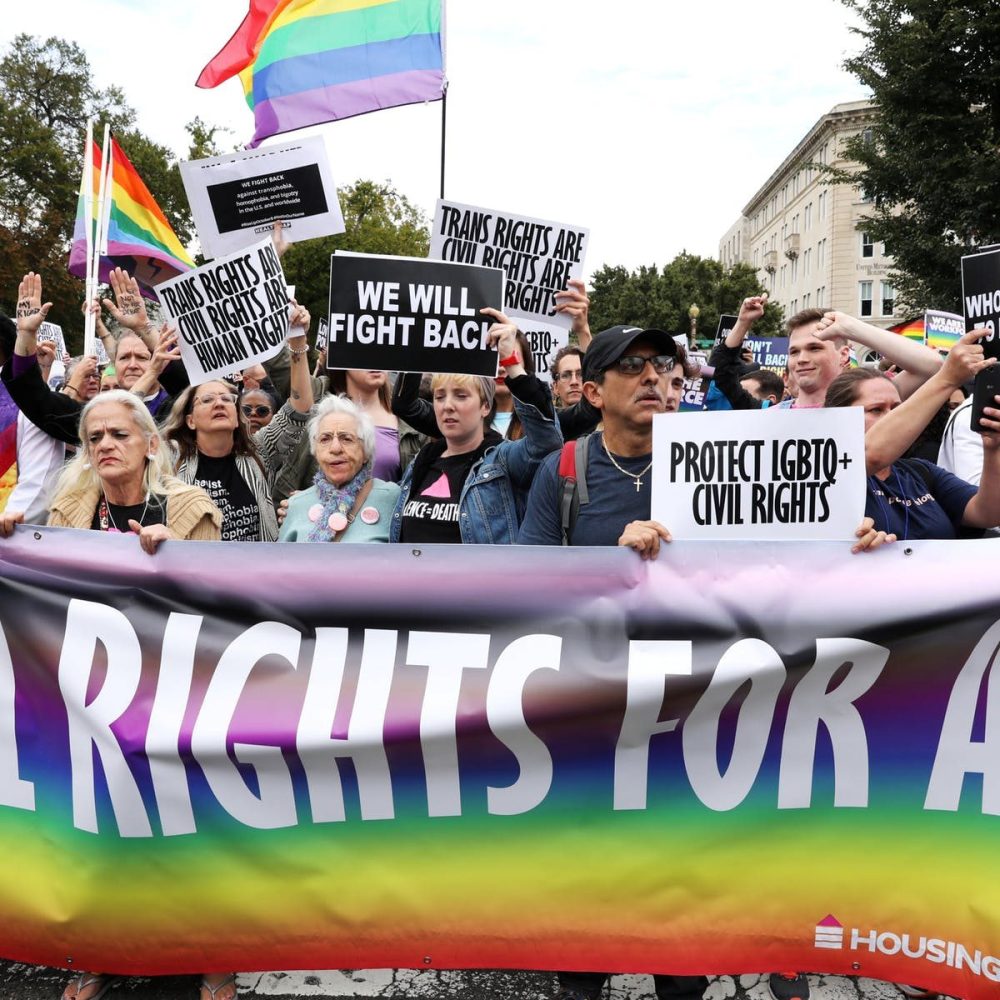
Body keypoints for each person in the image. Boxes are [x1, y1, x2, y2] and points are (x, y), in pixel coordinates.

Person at [390, 309, 562, 545]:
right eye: (439, 397)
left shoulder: (502, 460)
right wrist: (417, 346)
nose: (447, 406)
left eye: (461, 396)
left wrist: (511, 362)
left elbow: (548, 444)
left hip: (482, 582)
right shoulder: (422, 461)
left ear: (484, 406)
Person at [825, 330, 1000, 540]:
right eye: (876, 410)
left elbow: (988, 514)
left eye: (897, 407)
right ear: (840, 417)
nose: (893, 416)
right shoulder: (828, 478)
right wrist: (948, 377)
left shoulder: (920, 472)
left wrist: (993, 448)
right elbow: (872, 454)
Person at [160, 304, 315, 542]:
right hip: (196, 573)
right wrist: (145, 336)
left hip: (255, 574)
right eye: (208, 399)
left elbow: (300, 407)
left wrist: (296, 341)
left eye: (227, 399)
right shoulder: (170, 458)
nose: (219, 403)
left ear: (236, 416)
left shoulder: (259, 450)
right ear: (190, 420)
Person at [714, 297, 943, 412]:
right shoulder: (770, 415)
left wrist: (852, 327)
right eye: (794, 351)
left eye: (815, 348)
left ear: (844, 355)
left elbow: (931, 365)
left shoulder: (869, 402)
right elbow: (719, 375)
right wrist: (743, 323)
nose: (802, 359)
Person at [279, 395, 399, 543]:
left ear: (366, 452)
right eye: (325, 439)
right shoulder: (296, 504)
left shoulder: (393, 498)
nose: (335, 448)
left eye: (346, 438)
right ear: (315, 451)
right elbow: (282, 563)